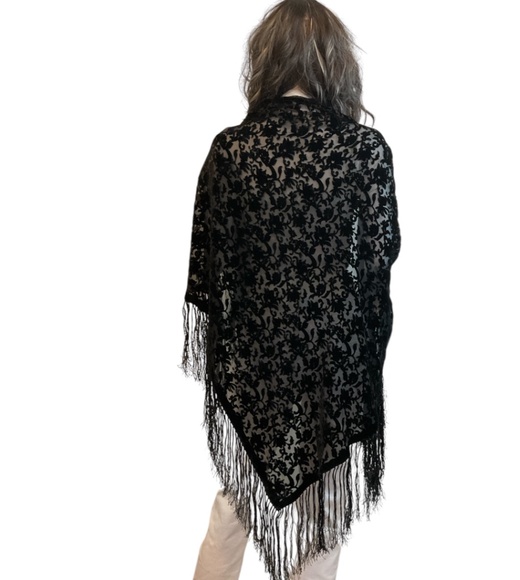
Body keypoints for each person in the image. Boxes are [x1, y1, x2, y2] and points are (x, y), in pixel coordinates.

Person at [180, 1, 401, 578]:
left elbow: (212, 270)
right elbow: (375, 269)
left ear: (267, 58)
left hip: (257, 359)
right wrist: (362, 362)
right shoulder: (363, 150)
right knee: (322, 513)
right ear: (335, 61)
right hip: (330, 361)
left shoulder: (231, 150)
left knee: (236, 503)